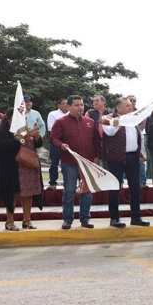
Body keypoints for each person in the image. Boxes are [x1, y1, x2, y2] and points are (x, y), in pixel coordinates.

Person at [52, 95, 99, 230]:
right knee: (69, 191)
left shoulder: (90, 122)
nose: (80, 107)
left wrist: (97, 157)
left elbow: (96, 141)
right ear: (69, 107)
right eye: (77, 105)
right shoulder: (60, 122)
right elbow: (54, 138)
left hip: (87, 163)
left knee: (87, 192)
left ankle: (85, 219)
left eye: (82, 105)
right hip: (70, 163)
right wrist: (61, 145)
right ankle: (68, 219)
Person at [102, 98, 149, 227]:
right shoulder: (108, 118)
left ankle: (136, 217)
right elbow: (109, 132)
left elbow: (139, 137)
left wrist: (141, 153)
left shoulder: (133, 119)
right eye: (128, 105)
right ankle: (114, 218)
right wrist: (120, 121)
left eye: (131, 105)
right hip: (115, 158)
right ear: (118, 108)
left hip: (133, 157)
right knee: (115, 187)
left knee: (135, 187)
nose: (131, 107)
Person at [0, 109, 44, 231]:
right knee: (12, 194)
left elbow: (37, 145)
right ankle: (10, 221)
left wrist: (37, 137)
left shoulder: (28, 130)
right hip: (12, 168)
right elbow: (2, 147)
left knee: (28, 193)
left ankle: (27, 220)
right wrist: (22, 139)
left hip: (28, 166)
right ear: (8, 119)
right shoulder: (2, 131)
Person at [46, 98, 69, 188]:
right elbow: (51, 128)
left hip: (68, 142)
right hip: (56, 142)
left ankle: (68, 182)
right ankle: (52, 182)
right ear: (59, 105)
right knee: (54, 163)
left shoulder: (71, 114)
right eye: (64, 103)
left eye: (68, 103)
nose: (67, 105)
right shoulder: (53, 114)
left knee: (68, 163)